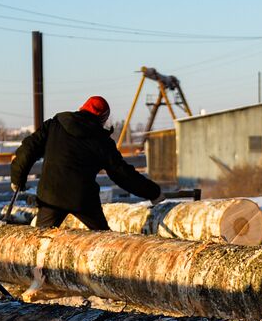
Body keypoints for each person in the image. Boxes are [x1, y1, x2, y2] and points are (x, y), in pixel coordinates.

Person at [10, 96, 162, 229]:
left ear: (82, 108)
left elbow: (28, 149)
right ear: (103, 118)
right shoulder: (102, 141)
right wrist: (153, 192)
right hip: (82, 200)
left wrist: (18, 178)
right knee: (103, 240)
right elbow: (123, 174)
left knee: (40, 242)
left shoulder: (55, 124)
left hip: (51, 197)